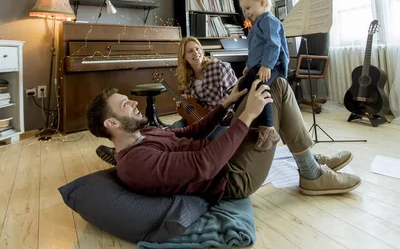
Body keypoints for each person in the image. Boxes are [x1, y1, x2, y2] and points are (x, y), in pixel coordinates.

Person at [87, 77, 361, 200]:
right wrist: (245, 118)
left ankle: (307, 160)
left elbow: (189, 132)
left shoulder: (143, 133)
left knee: (263, 82)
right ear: (110, 123)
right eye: (125, 104)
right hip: (233, 176)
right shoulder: (136, 163)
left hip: (225, 156)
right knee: (275, 90)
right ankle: (310, 173)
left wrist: (226, 103)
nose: (134, 103)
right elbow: (204, 165)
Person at [238, 0, 289, 152]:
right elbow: (254, 50)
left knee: (260, 85)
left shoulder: (269, 20)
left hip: (275, 65)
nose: (247, 13)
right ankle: (244, 120)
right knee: (244, 85)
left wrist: (267, 65)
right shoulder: (257, 24)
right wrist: (248, 66)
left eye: (248, 8)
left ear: (261, 1)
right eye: (245, 10)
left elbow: (273, 45)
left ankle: (268, 129)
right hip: (261, 64)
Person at [170, 36, 237, 131]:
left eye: (197, 49)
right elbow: (193, 104)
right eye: (190, 51)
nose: (195, 53)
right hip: (198, 120)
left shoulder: (219, 67)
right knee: (173, 130)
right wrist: (183, 102)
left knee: (211, 140)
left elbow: (235, 93)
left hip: (220, 121)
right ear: (184, 57)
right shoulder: (187, 78)